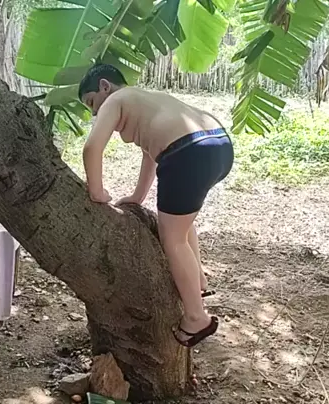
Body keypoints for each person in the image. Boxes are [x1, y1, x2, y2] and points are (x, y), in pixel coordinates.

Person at [78, 63, 234, 348]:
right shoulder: (147, 99)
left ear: (104, 86)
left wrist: (97, 192)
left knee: (172, 238)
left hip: (187, 152)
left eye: (91, 103)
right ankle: (198, 281)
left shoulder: (115, 99)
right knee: (181, 223)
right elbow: (150, 154)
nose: (94, 113)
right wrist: (137, 196)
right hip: (218, 143)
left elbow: (92, 148)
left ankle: (197, 317)